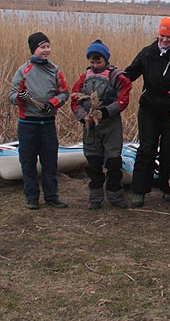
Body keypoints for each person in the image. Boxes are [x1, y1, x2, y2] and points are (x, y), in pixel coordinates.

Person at [125, 17, 170, 208]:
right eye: (162, 36)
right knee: (146, 148)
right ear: (157, 34)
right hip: (148, 109)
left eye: (169, 37)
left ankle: (168, 188)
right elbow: (130, 73)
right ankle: (139, 190)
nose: (164, 40)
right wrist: (112, 79)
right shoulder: (147, 52)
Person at [9, 32, 69, 209]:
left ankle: (51, 196)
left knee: (50, 162)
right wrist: (21, 97)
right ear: (33, 49)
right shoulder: (23, 71)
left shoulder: (55, 70)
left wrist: (53, 103)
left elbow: (64, 92)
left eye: (48, 46)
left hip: (47, 124)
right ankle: (32, 197)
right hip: (28, 124)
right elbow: (11, 95)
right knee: (28, 162)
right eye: (42, 47)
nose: (46, 50)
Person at [71, 40, 132, 210]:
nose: (95, 64)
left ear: (105, 59)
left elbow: (123, 99)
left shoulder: (116, 76)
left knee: (113, 162)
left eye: (99, 61)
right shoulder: (85, 77)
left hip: (111, 125)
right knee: (93, 162)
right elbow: (75, 101)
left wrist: (104, 112)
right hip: (90, 126)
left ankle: (115, 195)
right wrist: (84, 117)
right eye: (92, 61)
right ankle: (95, 196)